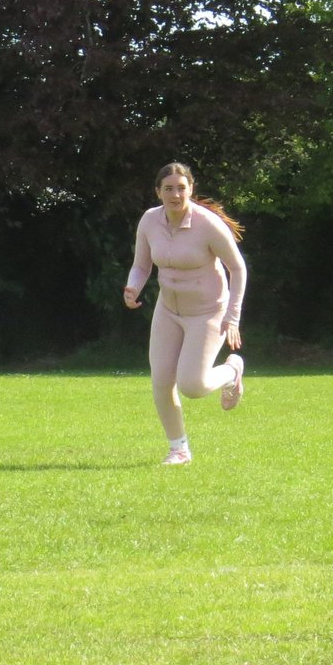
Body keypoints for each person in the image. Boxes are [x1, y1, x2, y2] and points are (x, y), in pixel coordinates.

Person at [123, 162, 248, 465]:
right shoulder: (149, 221)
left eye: (181, 188)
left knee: (193, 386)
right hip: (168, 311)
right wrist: (132, 288)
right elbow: (142, 265)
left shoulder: (207, 225)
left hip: (207, 313)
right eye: (168, 188)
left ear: (191, 189)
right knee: (162, 381)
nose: (175, 194)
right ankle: (178, 449)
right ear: (158, 192)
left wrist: (233, 317)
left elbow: (237, 268)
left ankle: (232, 371)